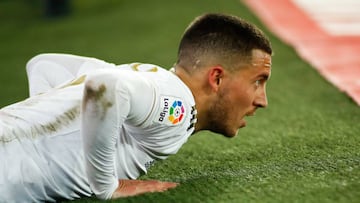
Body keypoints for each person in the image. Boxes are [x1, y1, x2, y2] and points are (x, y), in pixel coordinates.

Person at [0, 13, 272, 202]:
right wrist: (107, 185)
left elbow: (43, 64)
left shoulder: (149, 77)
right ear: (217, 78)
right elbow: (106, 86)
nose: (262, 100)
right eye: (258, 81)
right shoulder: (179, 106)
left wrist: (47, 140)